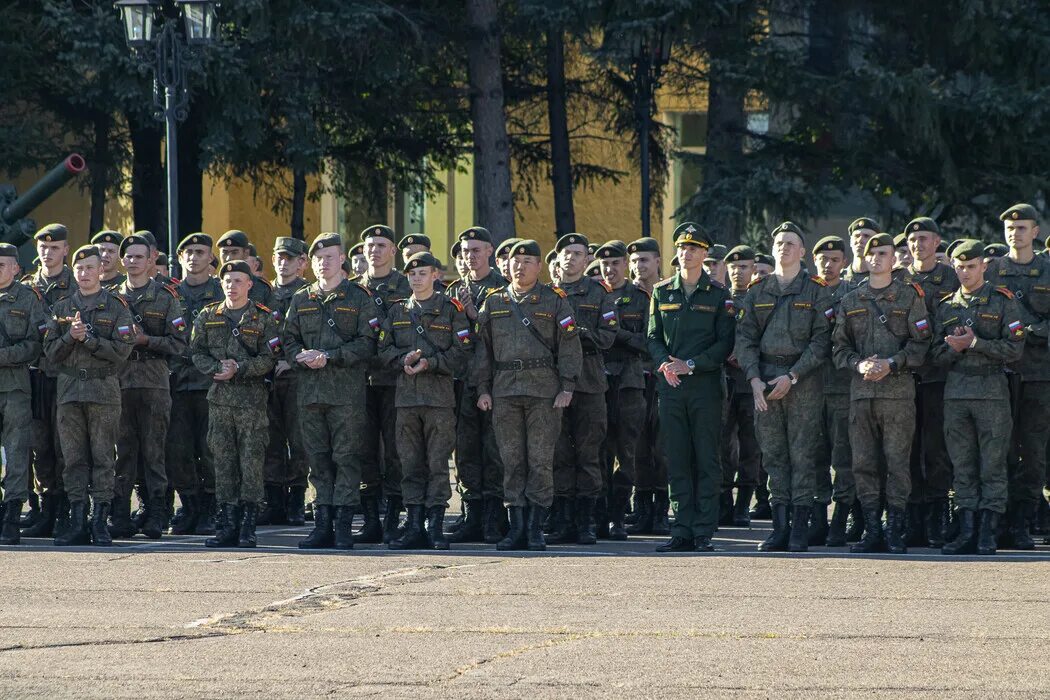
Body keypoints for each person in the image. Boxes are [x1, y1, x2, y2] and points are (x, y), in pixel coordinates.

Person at [474, 239, 582, 551]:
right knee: (510, 460)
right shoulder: (494, 302)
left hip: (543, 392)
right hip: (505, 390)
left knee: (540, 460)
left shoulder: (554, 300)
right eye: (514, 261)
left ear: (539, 266)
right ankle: (516, 528)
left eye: (527, 261)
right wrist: (482, 388)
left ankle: (535, 528)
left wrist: (567, 386)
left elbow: (570, 345)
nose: (519, 266)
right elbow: (483, 350)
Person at [735, 221, 832, 553]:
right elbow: (745, 339)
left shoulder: (816, 290)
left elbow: (822, 341)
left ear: (802, 252)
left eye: (791, 243)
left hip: (801, 380)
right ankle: (778, 528)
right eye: (779, 242)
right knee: (774, 455)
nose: (784, 247)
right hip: (764, 377)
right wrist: (754, 379)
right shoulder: (758, 291)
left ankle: (799, 529)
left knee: (803, 454)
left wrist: (792, 376)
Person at [832, 233, 931, 553]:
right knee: (863, 463)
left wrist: (892, 362)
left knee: (897, 463)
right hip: (862, 394)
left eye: (883, 253)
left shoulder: (909, 297)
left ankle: (894, 530)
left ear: (893, 259)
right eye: (871, 252)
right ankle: (873, 529)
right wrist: (859, 365)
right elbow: (838, 349)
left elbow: (921, 343)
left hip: (898, 394)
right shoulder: (850, 300)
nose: (876, 257)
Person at [283, 233, 377, 549]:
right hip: (310, 394)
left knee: (346, 458)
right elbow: (288, 339)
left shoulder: (359, 297)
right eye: (320, 258)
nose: (325, 263)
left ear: (341, 260)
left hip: (346, 396)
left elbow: (368, 343)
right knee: (318, 459)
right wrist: (299, 356)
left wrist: (330, 356)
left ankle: (344, 526)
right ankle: (322, 522)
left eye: (331, 257)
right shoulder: (302, 298)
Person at [931, 239, 1025, 555]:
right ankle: (967, 530)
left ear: (983, 266)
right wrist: (953, 349)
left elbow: (1015, 348)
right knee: (962, 465)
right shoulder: (947, 306)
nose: (966, 272)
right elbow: (933, 354)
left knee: (993, 464)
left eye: (972, 266)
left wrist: (975, 345)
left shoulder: (1002, 301)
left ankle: (988, 533)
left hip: (992, 393)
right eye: (960, 266)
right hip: (957, 393)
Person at [648, 222, 736, 552]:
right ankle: (681, 528)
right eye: (683, 248)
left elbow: (723, 343)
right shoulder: (661, 291)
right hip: (671, 387)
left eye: (694, 249)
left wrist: (691, 364)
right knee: (678, 457)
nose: (687, 253)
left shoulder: (718, 295)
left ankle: (703, 530)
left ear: (704, 255)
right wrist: (665, 363)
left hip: (704, 387)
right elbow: (653, 336)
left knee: (706, 458)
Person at [43, 245, 136, 546]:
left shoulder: (116, 306)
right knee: (73, 459)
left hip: (103, 391)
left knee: (102, 457)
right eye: (80, 268)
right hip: (69, 392)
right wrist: (71, 337)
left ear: (101, 270)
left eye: (90, 268)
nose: (84, 273)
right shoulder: (61, 308)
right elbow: (50, 352)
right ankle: (77, 519)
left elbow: (122, 352)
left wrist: (91, 340)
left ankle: (100, 521)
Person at [378, 251, 471, 550]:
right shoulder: (397, 311)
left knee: (437, 463)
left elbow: (462, 352)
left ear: (435, 275)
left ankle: (435, 525)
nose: (417, 278)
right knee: (410, 463)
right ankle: (414, 524)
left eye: (423, 273)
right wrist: (400, 359)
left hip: (439, 400)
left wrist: (430, 362)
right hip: (406, 400)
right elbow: (382, 350)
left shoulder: (451, 309)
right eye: (412, 274)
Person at [190, 260, 280, 548]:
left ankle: (248, 526)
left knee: (251, 462)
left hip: (251, 402)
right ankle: (227, 524)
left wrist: (239, 368)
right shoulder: (208, 316)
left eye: (239, 281)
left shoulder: (264, 318)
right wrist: (215, 367)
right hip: (219, 401)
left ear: (250, 285)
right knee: (223, 462)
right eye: (228, 281)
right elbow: (196, 352)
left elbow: (270, 358)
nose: (232, 286)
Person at [111, 234, 188, 539]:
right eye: (128, 256)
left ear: (151, 260)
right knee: (124, 452)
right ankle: (119, 512)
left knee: (155, 450)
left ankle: (157, 511)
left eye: (139, 257)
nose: (133, 262)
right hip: (120, 382)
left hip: (154, 381)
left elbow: (180, 343)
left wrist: (146, 340)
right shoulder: (112, 297)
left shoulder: (166, 297)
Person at [987, 203, 1050, 549]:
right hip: (1001, 374)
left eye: (1022, 228)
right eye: (1010, 229)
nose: (1015, 233)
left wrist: (1033, 330)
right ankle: (1001, 517)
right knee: (1002, 450)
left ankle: (1024, 521)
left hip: (1039, 375)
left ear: (1035, 232)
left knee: (1035, 451)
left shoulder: (1048, 270)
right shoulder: (993, 271)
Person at [548, 233, 618, 545]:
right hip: (554, 381)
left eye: (579, 253)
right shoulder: (546, 293)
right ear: (558, 257)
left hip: (589, 381)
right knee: (559, 452)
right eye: (567, 253)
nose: (573, 258)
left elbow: (608, 337)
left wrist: (576, 332)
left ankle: (587, 520)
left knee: (590, 453)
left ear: (587, 259)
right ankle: (563, 519)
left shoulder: (599, 292)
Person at [445, 227, 509, 543]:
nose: (470, 256)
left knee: (494, 449)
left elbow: (507, 335)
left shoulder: (504, 288)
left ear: (490, 252)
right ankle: (472, 515)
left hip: (496, 382)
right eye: (466, 250)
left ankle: (495, 519)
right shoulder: (454, 289)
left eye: (476, 250)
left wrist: (474, 314)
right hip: (462, 380)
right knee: (466, 450)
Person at [903, 216, 960, 547]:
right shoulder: (900, 279)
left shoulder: (951, 279)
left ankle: (939, 512)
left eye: (924, 238)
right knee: (907, 448)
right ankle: (913, 514)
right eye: (912, 239)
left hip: (939, 375)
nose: (917, 244)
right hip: (906, 376)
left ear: (937, 242)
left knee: (936, 448)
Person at [356, 224, 412, 543]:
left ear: (393, 251)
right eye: (369, 245)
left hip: (395, 381)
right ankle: (369, 520)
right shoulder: (351, 289)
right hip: (361, 381)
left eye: (381, 245)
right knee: (364, 450)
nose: (374, 250)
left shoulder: (407, 286)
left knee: (394, 451)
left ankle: (392, 517)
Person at [21, 224, 75, 539]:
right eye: (43, 246)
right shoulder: (26, 287)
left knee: (66, 446)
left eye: (55, 247)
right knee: (40, 446)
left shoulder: (77, 286)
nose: (48, 252)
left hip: (66, 378)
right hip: (35, 376)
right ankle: (45, 509)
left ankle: (66, 511)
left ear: (65, 250)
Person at [167, 233, 222, 536]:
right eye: (188, 251)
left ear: (211, 257)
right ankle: (189, 505)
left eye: (201, 251)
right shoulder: (168, 295)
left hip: (210, 383)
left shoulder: (221, 292)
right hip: (176, 383)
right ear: (179, 258)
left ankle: (211, 508)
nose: (194, 256)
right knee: (178, 449)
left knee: (210, 448)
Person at [595, 241, 649, 539]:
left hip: (629, 383)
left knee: (625, 452)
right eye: (604, 264)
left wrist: (617, 335)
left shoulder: (640, 298)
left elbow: (647, 341)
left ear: (625, 265)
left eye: (615, 263)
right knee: (597, 450)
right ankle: (599, 514)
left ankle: (618, 514)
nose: (609, 269)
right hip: (597, 383)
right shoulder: (594, 295)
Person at [0, 243, 48, 545]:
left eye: (4, 264)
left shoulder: (29, 299)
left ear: (16, 268)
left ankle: (12, 514)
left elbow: (35, 345)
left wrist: (2, 355)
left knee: (17, 453)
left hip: (15, 387)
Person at [261, 237, 310, 526]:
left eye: (290, 258)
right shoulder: (263, 293)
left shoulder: (308, 294)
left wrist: (290, 361)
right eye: (279, 257)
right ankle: (274, 499)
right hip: (267, 376)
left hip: (297, 377)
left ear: (302, 263)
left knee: (299, 439)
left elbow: (311, 336)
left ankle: (296, 501)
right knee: (271, 440)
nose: (283, 263)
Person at [810, 235, 855, 546]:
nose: (828, 264)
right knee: (813, 456)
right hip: (810, 386)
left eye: (835, 259)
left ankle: (841, 517)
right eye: (823, 259)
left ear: (845, 263)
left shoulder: (853, 295)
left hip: (841, 386)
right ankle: (816, 517)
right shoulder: (805, 292)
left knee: (843, 457)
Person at [626, 237, 670, 534]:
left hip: (666, 379)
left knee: (663, 447)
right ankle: (642, 506)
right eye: (634, 261)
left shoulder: (670, 293)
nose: (638, 266)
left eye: (644, 260)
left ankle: (661, 509)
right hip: (636, 380)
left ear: (657, 262)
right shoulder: (623, 297)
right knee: (639, 447)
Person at [721, 245, 761, 527]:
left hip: (750, 382)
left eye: (744, 267)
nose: (738, 271)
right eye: (733, 267)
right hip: (723, 382)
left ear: (753, 269)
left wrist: (746, 357)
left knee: (751, 446)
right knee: (723, 444)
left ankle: (744, 504)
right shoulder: (720, 298)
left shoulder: (761, 299)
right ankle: (724, 502)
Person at [215, 230, 277, 309]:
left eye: (234, 252)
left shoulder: (262, 288)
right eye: (225, 252)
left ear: (246, 254)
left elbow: (274, 318)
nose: (228, 258)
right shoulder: (214, 286)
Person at [843, 217, 878, 287]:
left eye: (866, 236)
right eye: (857, 236)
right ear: (850, 242)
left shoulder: (884, 279)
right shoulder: (838, 278)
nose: (860, 240)